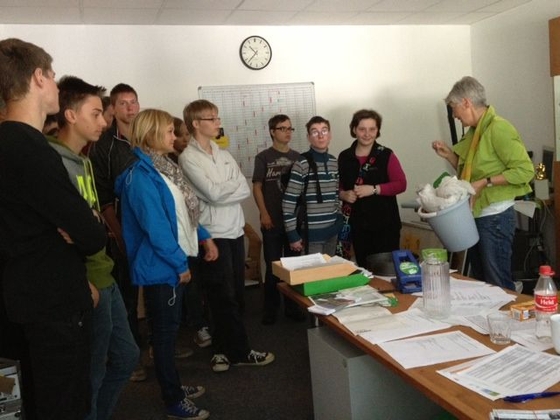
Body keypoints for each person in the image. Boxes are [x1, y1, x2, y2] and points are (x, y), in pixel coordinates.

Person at [0, 38, 107, 419]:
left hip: (23, 298)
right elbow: (92, 235)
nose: (57, 86)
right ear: (39, 78)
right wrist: (80, 226)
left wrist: (73, 226)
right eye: (54, 75)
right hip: (52, 306)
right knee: (63, 404)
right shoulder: (31, 147)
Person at [50, 75, 139, 420]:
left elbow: (87, 222)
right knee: (93, 370)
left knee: (127, 356)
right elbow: (57, 233)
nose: (104, 121)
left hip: (104, 272)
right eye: (96, 113)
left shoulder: (83, 160)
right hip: (88, 280)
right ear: (71, 115)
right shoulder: (53, 161)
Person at [115, 109, 212, 420]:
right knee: (165, 335)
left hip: (176, 259)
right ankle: (172, 398)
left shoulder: (166, 168)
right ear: (151, 135)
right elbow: (156, 229)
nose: (175, 137)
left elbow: (185, 212)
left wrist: (205, 237)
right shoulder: (140, 177)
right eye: (169, 132)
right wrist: (178, 264)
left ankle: (175, 386)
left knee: (168, 333)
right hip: (163, 266)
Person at [180, 99, 275, 372]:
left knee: (235, 294)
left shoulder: (223, 154)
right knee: (221, 295)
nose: (218, 122)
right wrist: (224, 189)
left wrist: (224, 189)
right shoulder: (188, 157)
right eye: (212, 118)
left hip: (234, 230)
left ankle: (221, 351)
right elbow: (211, 194)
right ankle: (241, 351)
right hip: (213, 234)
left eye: (217, 117)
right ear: (196, 123)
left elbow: (243, 188)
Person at [432, 76, 534, 291]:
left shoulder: (498, 128)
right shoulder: (475, 132)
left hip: (495, 215)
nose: (454, 115)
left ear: (466, 103)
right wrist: (449, 155)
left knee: (497, 282)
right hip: (477, 213)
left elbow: (525, 171)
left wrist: (485, 182)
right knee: (481, 283)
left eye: (454, 108)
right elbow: (470, 171)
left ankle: (508, 322)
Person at [88, 83, 145, 381]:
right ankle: (131, 355)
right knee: (127, 293)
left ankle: (157, 349)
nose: (130, 108)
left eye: (133, 102)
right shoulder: (105, 145)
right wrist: (121, 235)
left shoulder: (146, 137)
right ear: (113, 108)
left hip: (153, 230)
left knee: (160, 291)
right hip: (126, 230)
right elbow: (104, 196)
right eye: (123, 103)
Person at [252, 114, 305, 325]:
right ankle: (270, 309)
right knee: (273, 266)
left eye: (290, 129)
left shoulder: (298, 157)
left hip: (294, 222)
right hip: (271, 220)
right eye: (283, 128)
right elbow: (257, 187)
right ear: (272, 131)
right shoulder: (263, 157)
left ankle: (292, 307)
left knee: (293, 267)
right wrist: (264, 213)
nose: (287, 132)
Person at [338, 109, 407, 268]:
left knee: (385, 272)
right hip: (357, 227)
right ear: (354, 130)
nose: (367, 134)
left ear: (377, 131)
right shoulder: (344, 157)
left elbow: (401, 184)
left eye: (372, 129)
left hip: (385, 227)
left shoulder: (386, 154)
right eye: (362, 129)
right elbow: (338, 187)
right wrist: (343, 194)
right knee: (363, 270)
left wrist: (375, 189)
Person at [282, 115, 342, 256]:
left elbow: (335, 195)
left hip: (332, 233)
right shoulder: (302, 163)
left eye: (324, 131)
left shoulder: (334, 162)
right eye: (315, 132)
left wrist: (338, 219)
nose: (321, 136)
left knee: (330, 275)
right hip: (311, 235)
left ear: (330, 135)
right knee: (313, 276)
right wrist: (292, 235)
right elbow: (288, 202)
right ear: (309, 137)